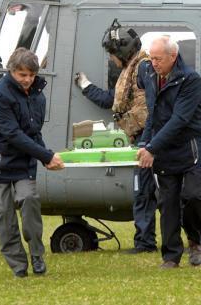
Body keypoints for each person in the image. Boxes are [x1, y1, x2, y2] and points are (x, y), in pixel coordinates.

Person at [0, 47, 64, 278]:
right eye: (22, 75)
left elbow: (33, 132)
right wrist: (46, 156)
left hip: (23, 163)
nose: (27, 80)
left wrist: (44, 155)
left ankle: (37, 255)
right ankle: (18, 267)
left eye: (31, 75)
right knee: (4, 217)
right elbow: (12, 134)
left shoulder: (38, 96)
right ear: (11, 71)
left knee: (29, 200)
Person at [74, 19, 157, 254]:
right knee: (143, 191)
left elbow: (153, 107)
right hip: (143, 139)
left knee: (143, 191)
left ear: (122, 51)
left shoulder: (142, 68)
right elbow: (112, 100)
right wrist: (86, 85)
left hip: (146, 140)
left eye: (112, 54)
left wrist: (148, 142)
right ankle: (147, 240)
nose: (111, 59)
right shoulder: (131, 70)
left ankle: (145, 243)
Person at [137, 35, 201, 268]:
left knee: (191, 197)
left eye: (158, 59)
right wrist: (144, 144)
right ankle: (170, 256)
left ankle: (195, 239)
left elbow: (179, 119)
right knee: (167, 203)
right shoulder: (150, 75)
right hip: (164, 148)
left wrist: (152, 147)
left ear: (173, 56)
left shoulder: (191, 80)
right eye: (151, 58)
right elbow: (154, 114)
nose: (154, 63)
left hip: (192, 148)